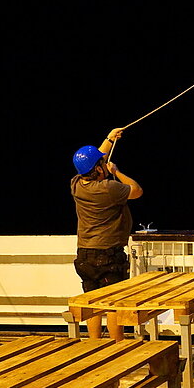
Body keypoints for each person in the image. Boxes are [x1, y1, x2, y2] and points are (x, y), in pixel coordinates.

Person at [71, 128, 143, 340]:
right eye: (102, 163)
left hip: (85, 254)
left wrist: (109, 139)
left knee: (92, 302)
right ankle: (116, 346)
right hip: (108, 255)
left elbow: (92, 159)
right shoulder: (109, 188)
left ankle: (95, 345)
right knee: (113, 303)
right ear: (98, 169)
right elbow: (136, 190)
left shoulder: (76, 184)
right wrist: (117, 171)